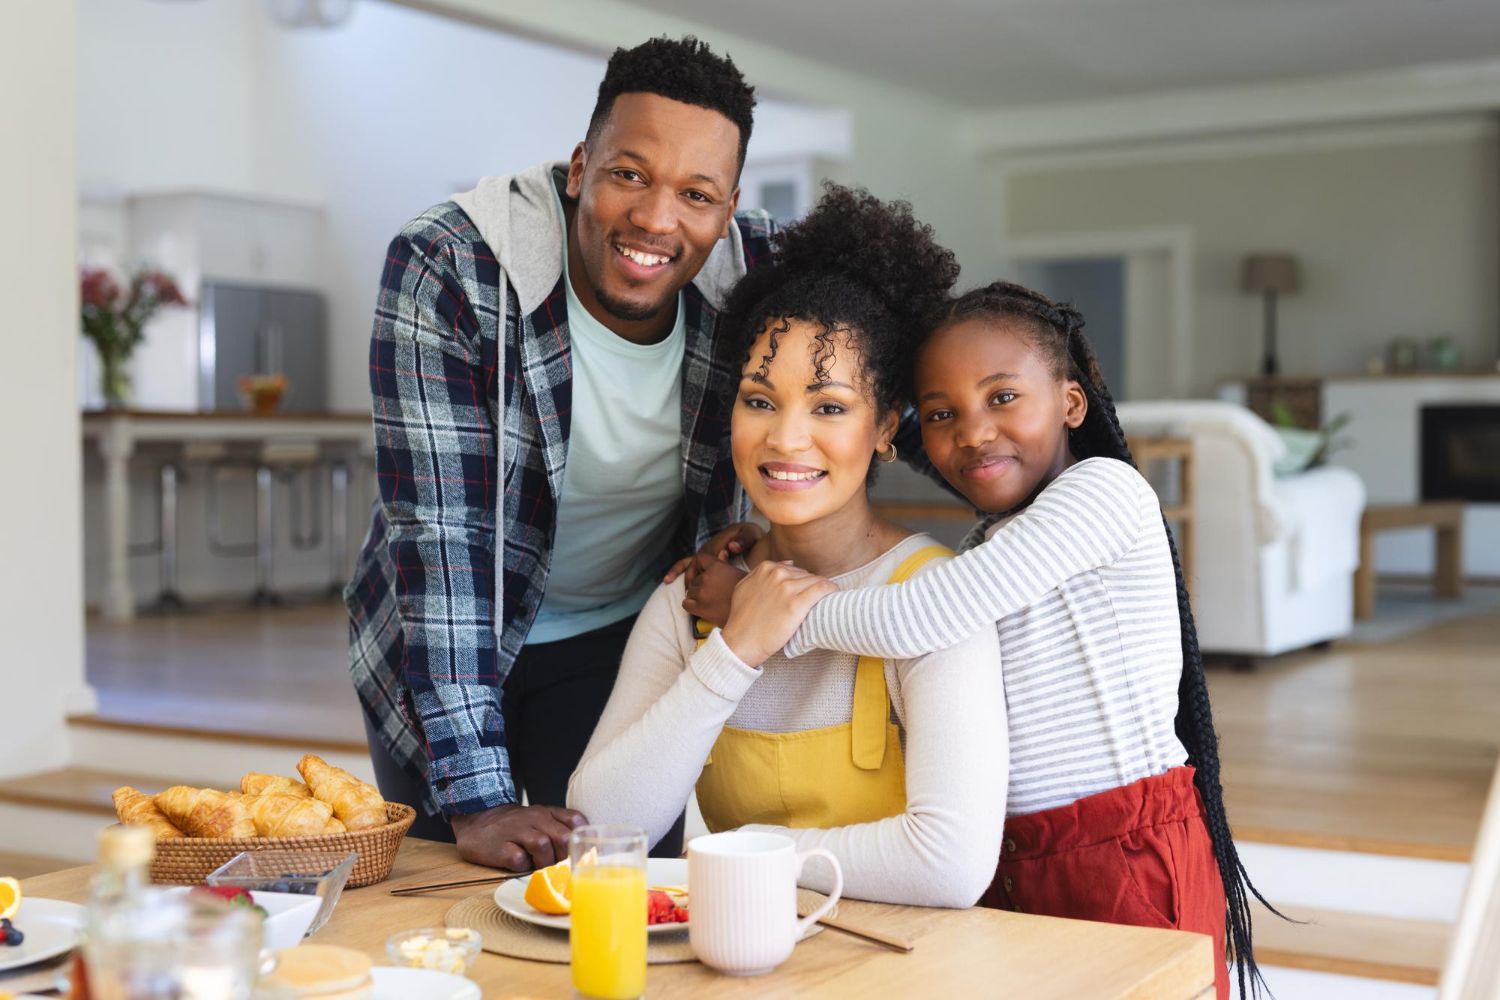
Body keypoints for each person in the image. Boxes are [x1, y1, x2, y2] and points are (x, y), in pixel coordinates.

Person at [684, 282, 1276, 998]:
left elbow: (913, 618)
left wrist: (762, 609)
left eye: (1002, 397)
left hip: (1125, 850)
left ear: (1071, 402)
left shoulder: (1105, 491)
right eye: (941, 414)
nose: (973, 431)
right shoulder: (983, 549)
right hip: (1015, 857)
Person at [345, 36, 778, 871]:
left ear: (727, 212)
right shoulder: (452, 264)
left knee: (614, 881)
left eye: (696, 194)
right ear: (580, 166)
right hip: (446, 640)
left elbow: (897, 382)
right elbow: (444, 538)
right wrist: (476, 799)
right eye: (630, 174)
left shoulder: (758, 270)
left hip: (615, 636)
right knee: (459, 900)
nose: (656, 219)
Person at [566, 186, 1008, 908]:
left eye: (829, 407)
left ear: (885, 425)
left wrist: (728, 858)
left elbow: (949, 863)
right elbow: (602, 824)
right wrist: (734, 649)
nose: (784, 438)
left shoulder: (934, 598)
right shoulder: (699, 593)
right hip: (738, 961)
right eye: (760, 400)